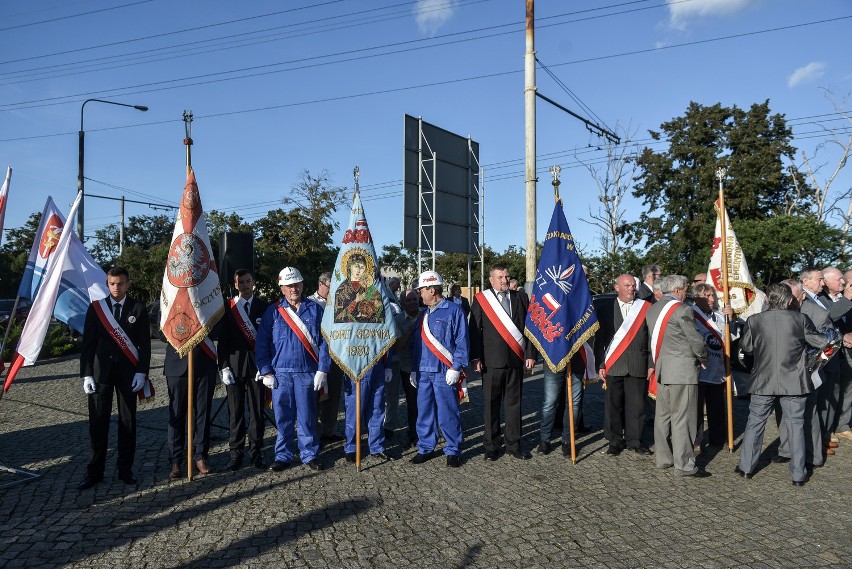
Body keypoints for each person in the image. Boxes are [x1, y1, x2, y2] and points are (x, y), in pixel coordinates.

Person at [737, 283, 829, 486]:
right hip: (794, 381)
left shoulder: (754, 320)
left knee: (755, 423)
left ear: (767, 300)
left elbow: (746, 346)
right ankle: (798, 474)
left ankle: (746, 467)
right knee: (795, 425)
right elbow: (821, 341)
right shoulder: (800, 319)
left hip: (763, 380)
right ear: (789, 301)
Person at [78, 267, 151, 490]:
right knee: (98, 423)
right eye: (112, 283)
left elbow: (145, 345)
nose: (116, 287)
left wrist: (142, 371)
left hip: (128, 374)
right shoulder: (96, 308)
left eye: (120, 283)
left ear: (128, 284)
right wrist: (86, 373)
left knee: (127, 422)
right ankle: (95, 472)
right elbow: (88, 344)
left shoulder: (138, 308)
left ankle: (125, 470)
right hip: (101, 374)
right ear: (107, 284)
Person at [256, 267, 330, 471]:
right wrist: (266, 371)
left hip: (307, 372)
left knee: (307, 417)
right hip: (281, 374)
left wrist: (323, 369)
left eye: (296, 284)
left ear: (303, 285)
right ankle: (283, 455)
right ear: (282, 288)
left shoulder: (315, 310)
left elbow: (326, 342)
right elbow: (262, 343)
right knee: (283, 418)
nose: (293, 289)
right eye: (289, 286)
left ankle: (310, 454)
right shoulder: (273, 312)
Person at [470, 265, 536, 461]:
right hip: (491, 361)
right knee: (491, 405)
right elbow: (474, 331)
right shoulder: (482, 300)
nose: (505, 281)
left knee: (514, 404)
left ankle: (513, 444)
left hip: (515, 360)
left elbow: (529, 329)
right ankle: (491, 446)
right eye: (500, 277)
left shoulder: (521, 298)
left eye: (507, 277)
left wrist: (531, 354)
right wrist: (475, 357)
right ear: (491, 280)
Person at [646, 275, 709, 477]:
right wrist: (703, 357)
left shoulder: (653, 308)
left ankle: (663, 459)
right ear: (676, 290)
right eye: (684, 289)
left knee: (663, 416)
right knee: (683, 417)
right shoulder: (682, 310)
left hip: (663, 369)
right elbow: (695, 339)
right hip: (682, 371)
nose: (685, 293)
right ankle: (685, 464)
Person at [410, 270, 468, 468]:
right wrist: (413, 369)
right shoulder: (422, 315)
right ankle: (425, 447)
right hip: (424, 371)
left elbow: (461, 342)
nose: (420, 294)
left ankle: (453, 449)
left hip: (444, 371)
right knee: (424, 412)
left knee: (448, 412)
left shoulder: (454, 311)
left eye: (421, 290)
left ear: (432, 289)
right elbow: (417, 345)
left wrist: (456, 367)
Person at [593, 274, 653, 457]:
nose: (631, 289)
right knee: (613, 405)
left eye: (633, 285)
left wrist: (651, 363)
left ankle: (635, 441)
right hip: (614, 363)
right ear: (616, 287)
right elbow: (600, 340)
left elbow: (652, 338)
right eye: (627, 285)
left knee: (637, 406)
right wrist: (600, 363)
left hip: (638, 363)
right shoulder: (605, 308)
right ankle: (615, 441)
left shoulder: (645, 308)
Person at [217, 269, 269, 471]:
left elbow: (268, 341)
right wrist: (223, 367)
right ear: (235, 284)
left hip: (257, 368)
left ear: (253, 283)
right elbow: (222, 341)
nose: (245, 284)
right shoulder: (228, 308)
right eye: (241, 282)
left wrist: (265, 366)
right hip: (234, 367)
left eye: (248, 281)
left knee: (257, 411)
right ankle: (235, 453)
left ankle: (256, 452)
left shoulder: (264, 307)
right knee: (235, 412)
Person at [691, 283, 737, 450]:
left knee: (717, 407)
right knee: (695, 409)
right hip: (699, 370)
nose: (712, 300)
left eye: (713, 296)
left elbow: (730, 339)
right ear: (697, 298)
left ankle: (718, 438)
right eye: (707, 296)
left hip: (717, 369)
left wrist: (730, 321)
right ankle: (695, 439)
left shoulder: (719, 315)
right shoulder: (691, 314)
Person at [164, 340, 219, 478]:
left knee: (203, 413)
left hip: (204, 362)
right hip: (177, 363)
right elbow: (161, 331)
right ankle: (175, 460)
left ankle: (200, 456)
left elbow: (217, 328)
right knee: (176, 415)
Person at [309, 272, 345, 444]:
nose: (333, 290)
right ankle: (313, 433)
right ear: (321, 284)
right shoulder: (310, 303)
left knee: (334, 395)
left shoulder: (340, 302)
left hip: (336, 355)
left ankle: (328, 430)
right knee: (314, 396)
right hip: (316, 356)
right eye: (331, 286)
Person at [343, 359, 395, 463]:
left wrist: (388, 365)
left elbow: (388, 343)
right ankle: (352, 447)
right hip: (356, 365)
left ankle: (377, 446)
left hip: (377, 365)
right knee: (355, 410)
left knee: (377, 408)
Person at [394, 290, 422, 448]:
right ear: (403, 304)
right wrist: (411, 331)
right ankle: (413, 434)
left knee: (429, 401)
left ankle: (430, 431)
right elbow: (397, 347)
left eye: (414, 299)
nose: (412, 303)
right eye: (408, 301)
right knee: (413, 404)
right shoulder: (398, 320)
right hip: (408, 367)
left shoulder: (426, 314)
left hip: (426, 366)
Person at [333, 252, 383, 323]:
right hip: (348, 330)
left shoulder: (370, 288)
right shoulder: (342, 290)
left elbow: (380, 312)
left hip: (367, 329)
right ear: (350, 267)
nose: (359, 270)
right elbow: (337, 317)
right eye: (356, 266)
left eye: (362, 267)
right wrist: (356, 301)